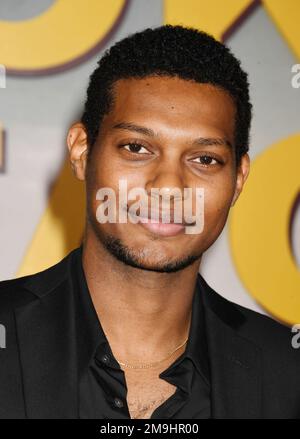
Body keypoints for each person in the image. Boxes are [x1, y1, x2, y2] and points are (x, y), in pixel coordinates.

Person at [0, 25, 299, 419]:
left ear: (238, 178)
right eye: (136, 148)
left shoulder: (287, 374)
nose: (169, 187)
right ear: (81, 151)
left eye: (204, 159)